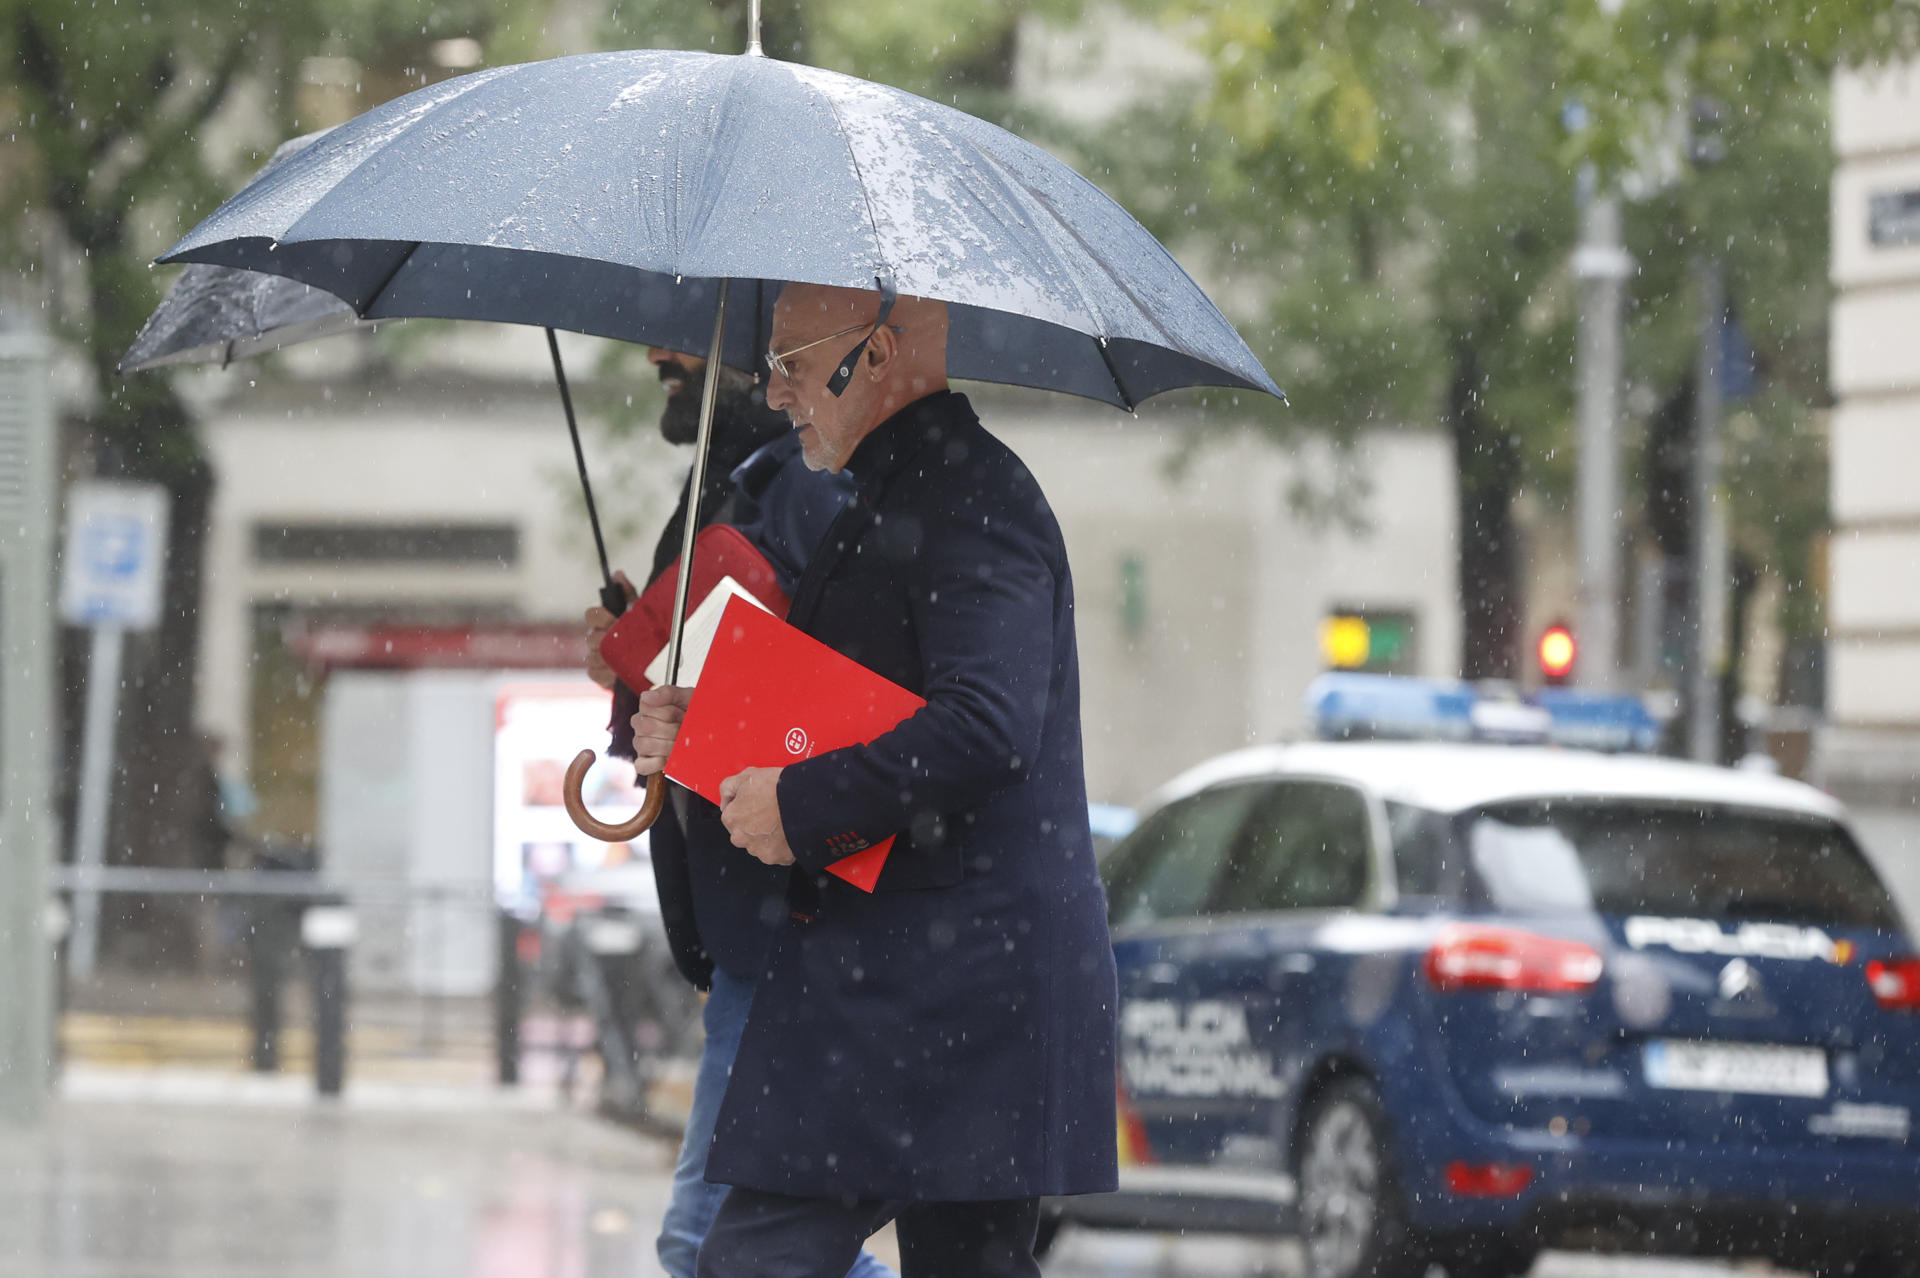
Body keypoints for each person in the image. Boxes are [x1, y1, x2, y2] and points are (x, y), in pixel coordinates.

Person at [630, 284, 1119, 1278]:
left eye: (794, 367)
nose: (775, 394)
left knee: (749, 1261)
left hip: (947, 993)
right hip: (919, 982)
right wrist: (699, 728)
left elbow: (985, 726)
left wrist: (798, 807)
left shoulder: (972, 502)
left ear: (881, 355)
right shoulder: (894, 493)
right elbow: (851, 708)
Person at [582, 346, 888, 1278]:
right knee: (744, 1253)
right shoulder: (731, 484)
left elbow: (839, 715)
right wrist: (632, 657)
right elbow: (701, 692)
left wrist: (682, 684)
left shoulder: (807, 490)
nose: (659, 355)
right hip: (748, 937)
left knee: (714, 1247)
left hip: (790, 936)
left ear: (762, 360)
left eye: (688, 337)